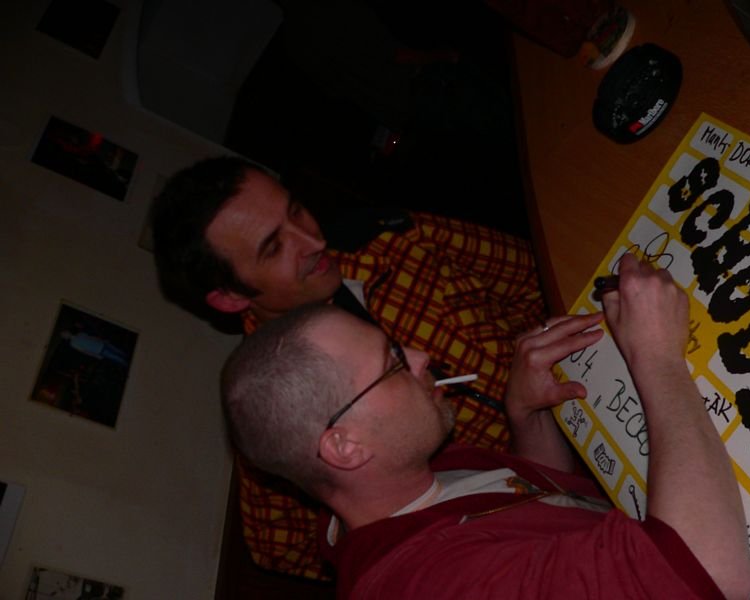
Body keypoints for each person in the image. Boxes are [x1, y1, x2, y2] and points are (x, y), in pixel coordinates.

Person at [221, 254, 750, 599]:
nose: (420, 356)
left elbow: (535, 515)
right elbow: (708, 573)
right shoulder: (432, 584)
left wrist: (527, 415)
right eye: (392, 363)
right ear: (345, 445)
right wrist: (657, 356)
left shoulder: (390, 479)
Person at [151, 155, 547, 577]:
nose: (313, 241)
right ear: (231, 297)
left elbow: (534, 277)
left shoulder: (391, 239)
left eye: (296, 210)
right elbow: (279, 549)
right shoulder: (274, 407)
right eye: (274, 247)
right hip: (528, 512)